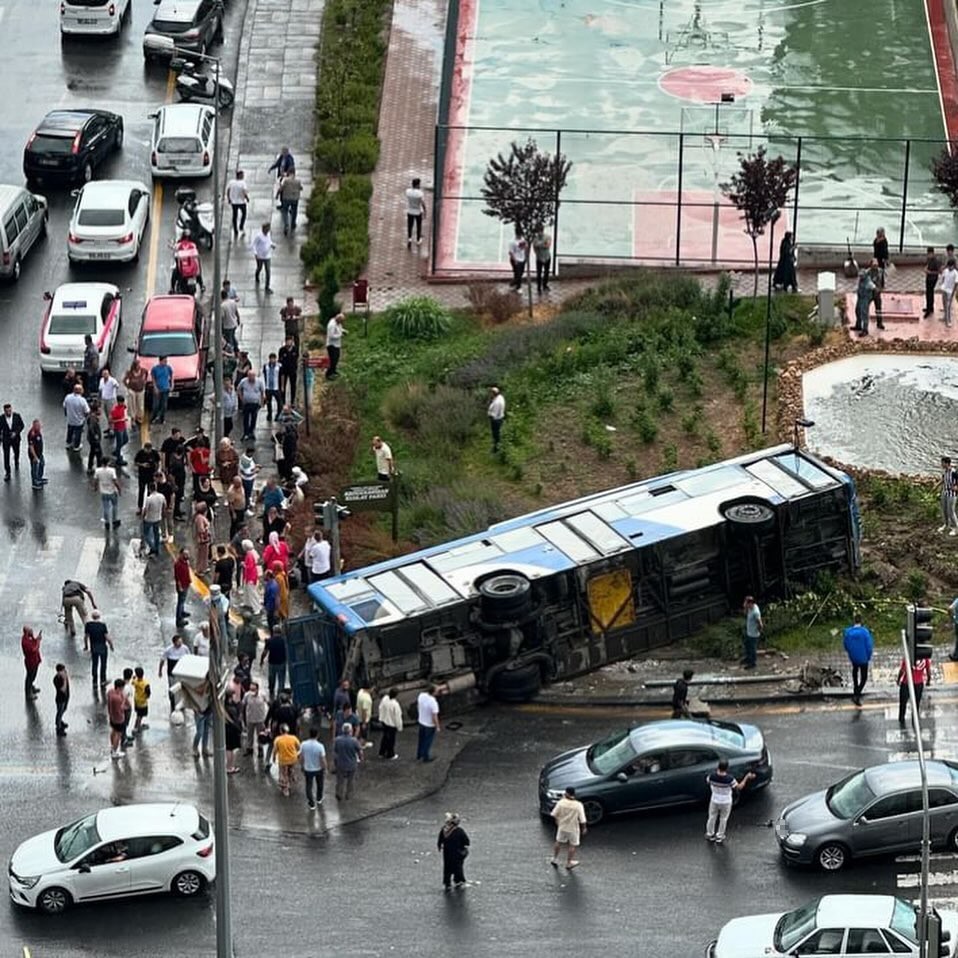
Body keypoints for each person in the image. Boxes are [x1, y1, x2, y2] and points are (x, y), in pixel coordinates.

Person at [705, 759, 755, 844]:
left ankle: (710, 834)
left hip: (714, 799)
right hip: (726, 801)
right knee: (723, 819)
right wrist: (746, 777)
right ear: (727, 768)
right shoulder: (729, 779)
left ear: (718, 767)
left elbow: (707, 781)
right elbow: (739, 787)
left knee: (712, 817)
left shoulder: (712, 777)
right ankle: (719, 836)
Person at [550, 787, 586, 869]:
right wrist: (584, 828)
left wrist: (557, 821)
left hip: (562, 826)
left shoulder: (561, 803)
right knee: (572, 845)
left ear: (566, 794)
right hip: (573, 828)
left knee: (558, 842)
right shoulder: (578, 805)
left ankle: (555, 858)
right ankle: (569, 862)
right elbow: (582, 819)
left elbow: (554, 814)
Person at [842, 615, 874, 706]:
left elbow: (845, 645)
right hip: (863, 658)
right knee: (864, 678)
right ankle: (857, 693)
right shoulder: (865, 632)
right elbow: (869, 646)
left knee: (855, 671)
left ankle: (855, 687)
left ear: (853, 621)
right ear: (861, 621)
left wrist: (850, 653)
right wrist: (868, 656)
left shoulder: (848, 632)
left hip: (853, 657)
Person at [437, 812, 470, 889]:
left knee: (447, 867)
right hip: (457, 852)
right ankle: (458, 880)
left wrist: (440, 846)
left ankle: (447, 882)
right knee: (458, 867)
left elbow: (440, 840)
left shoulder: (444, 830)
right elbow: (466, 841)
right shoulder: (459, 831)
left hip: (447, 853)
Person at [898, 652, 932, 725]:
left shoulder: (908, 657)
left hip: (906, 682)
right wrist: (928, 680)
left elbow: (902, 670)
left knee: (903, 703)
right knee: (916, 704)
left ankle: (901, 719)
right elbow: (928, 671)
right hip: (919, 683)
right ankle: (914, 720)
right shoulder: (925, 658)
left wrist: (898, 679)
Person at [159, 634, 190, 712]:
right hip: (172, 674)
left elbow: (189, 658)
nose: (180, 643)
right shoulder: (168, 650)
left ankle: (182, 704)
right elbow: (162, 660)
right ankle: (173, 704)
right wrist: (160, 671)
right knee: (173, 689)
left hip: (182, 673)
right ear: (174, 643)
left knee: (182, 689)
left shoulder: (185, 648)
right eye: (178, 642)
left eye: (181, 642)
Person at [333, 723, 363, 800]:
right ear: (351, 731)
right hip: (351, 764)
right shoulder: (354, 741)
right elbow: (360, 751)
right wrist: (361, 758)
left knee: (340, 780)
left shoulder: (338, 740)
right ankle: (348, 795)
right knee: (350, 780)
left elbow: (335, 752)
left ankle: (339, 793)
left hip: (340, 764)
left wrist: (335, 762)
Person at [300, 726, 328, 809]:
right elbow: (323, 759)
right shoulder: (320, 746)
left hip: (308, 768)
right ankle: (319, 798)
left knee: (308, 786)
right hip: (318, 768)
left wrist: (302, 766)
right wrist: (325, 768)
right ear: (317, 735)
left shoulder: (304, 744)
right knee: (320, 784)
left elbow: (301, 757)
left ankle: (311, 803)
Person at [84, 609, 113, 684]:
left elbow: (86, 637)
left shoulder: (88, 625)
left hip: (93, 647)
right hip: (103, 647)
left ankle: (95, 680)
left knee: (95, 663)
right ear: (99, 616)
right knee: (103, 664)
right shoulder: (102, 625)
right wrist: (111, 645)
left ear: (92, 616)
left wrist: (86, 646)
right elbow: (107, 637)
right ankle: (103, 680)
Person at [242, 680, 269, 760]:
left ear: (257, 689)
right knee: (249, 735)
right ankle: (249, 748)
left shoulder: (262, 695)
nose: (252, 691)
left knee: (260, 734)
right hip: (250, 718)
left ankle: (260, 748)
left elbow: (268, 702)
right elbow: (243, 705)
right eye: (251, 689)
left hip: (260, 719)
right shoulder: (247, 695)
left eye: (253, 689)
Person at [237, 369, 265, 442]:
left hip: (255, 403)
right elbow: (239, 389)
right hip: (246, 403)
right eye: (249, 376)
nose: (251, 378)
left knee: (253, 418)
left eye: (252, 376)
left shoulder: (259, 382)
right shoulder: (244, 381)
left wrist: (262, 402)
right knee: (246, 419)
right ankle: (246, 433)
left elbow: (262, 392)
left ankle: (251, 432)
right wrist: (242, 399)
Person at [95, 457, 122, 530]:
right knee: (114, 506)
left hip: (103, 492)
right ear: (108, 463)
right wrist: (119, 489)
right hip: (112, 491)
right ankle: (114, 520)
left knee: (105, 507)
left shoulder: (98, 471)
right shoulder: (112, 471)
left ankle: (107, 522)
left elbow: (96, 480)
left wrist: (95, 488)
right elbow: (115, 481)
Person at [273, 723, 301, 797]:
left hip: (283, 760)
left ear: (281, 731)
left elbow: (275, 750)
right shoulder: (293, 738)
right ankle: (292, 775)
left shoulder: (278, 739)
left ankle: (286, 788)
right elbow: (298, 747)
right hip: (293, 759)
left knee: (283, 774)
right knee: (291, 769)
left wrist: (273, 758)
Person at [260, 626, 287, 698]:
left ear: (273, 631)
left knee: (271, 678)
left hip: (272, 663)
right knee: (281, 679)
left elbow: (265, 652)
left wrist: (261, 660)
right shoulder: (284, 640)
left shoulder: (269, 640)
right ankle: (280, 695)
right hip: (282, 662)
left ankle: (271, 692)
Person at [0, 402, 25, 480]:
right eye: (7, 411)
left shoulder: (17, 416)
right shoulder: (1, 418)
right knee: (6, 456)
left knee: (16, 451)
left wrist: (16, 433)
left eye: (10, 410)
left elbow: (22, 425)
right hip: (6, 439)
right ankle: (8, 472)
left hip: (15, 439)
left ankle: (16, 461)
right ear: (4, 411)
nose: (9, 412)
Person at [416, 684, 441, 762]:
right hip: (429, 725)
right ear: (433, 692)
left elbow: (418, 705)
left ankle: (419, 754)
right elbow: (434, 716)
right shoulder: (433, 702)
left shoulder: (421, 695)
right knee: (427, 741)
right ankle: (426, 757)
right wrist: (437, 726)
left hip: (421, 721)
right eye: (437, 691)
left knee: (421, 739)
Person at [134, 441, 160, 512]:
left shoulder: (154, 453)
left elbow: (158, 462)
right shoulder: (140, 453)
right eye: (147, 450)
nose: (148, 451)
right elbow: (135, 462)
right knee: (141, 491)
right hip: (142, 475)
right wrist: (142, 465)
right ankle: (140, 507)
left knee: (150, 491)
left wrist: (156, 471)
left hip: (151, 475)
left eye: (149, 450)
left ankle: (149, 506)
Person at [378, 687, 403, 759]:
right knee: (391, 740)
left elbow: (380, 708)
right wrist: (399, 727)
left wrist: (381, 718)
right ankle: (390, 754)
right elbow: (397, 717)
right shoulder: (395, 704)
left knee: (385, 738)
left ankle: (382, 752)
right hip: (392, 724)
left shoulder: (385, 699)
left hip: (384, 722)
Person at [63, 384, 89, 451]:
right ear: (80, 391)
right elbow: (87, 411)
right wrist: (84, 417)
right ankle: (76, 446)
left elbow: (64, 406)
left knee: (70, 431)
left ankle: (68, 443)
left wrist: (66, 414)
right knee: (78, 433)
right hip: (79, 421)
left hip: (70, 419)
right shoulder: (82, 400)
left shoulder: (68, 397)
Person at [107, 678, 128, 759]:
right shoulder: (118, 698)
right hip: (119, 718)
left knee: (113, 731)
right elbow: (122, 707)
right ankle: (115, 751)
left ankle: (112, 747)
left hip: (111, 717)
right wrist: (124, 699)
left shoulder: (110, 692)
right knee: (118, 734)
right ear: (119, 687)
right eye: (122, 688)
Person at [278, 167, 303, 235]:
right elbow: (301, 188)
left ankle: (286, 225)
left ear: (288, 172)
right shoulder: (298, 181)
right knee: (294, 211)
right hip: (295, 198)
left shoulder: (285, 180)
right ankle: (293, 223)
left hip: (286, 198)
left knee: (285, 211)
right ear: (294, 173)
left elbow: (281, 188)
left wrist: (277, 194)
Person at [123, 357, 148, 426]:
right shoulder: (130, 373)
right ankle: (133, 418)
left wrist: (144, 382)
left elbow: (146, 374)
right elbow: (124, 380)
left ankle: (139, 417)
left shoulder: (143, 371)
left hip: (140, 390)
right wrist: (128, 387)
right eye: (137, 365)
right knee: (132, 405)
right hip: (132, 390)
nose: (139, 367)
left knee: (140, 405)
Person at [251, 222, 275, 293]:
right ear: (263, 229)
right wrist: (255, 253)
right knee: (259, 268)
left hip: (267, 256)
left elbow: (269, 241)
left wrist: (272, 245)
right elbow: (253, 245)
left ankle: (267, 287)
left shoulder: (268, 234)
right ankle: (257, 275)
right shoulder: (258, 236)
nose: (268, 230)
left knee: (268, 271)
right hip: (260, 256)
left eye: (269, 228)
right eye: (267, 229)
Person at [225, 169, 249, 236]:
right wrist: (247, 198)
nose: (243, 176)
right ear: (240, 176)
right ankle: (241, 226)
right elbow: (244, 192)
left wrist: (229, 198)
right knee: (244, 214)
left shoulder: (231, 182)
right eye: (242, 175)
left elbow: (228, 190)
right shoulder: (243, 183)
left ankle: (235, 230)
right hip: (241, 202)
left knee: (235, 216)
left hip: (234, 202)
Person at [151, 356, 174, 425]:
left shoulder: (168, 368)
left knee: (164, 406)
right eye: (164, 361)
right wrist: (155, 387)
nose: (166, 363)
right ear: (160, 361)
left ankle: (162, 419)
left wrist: (172, 384)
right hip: (158, 389)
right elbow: (153, 379)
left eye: (166, 361)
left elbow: (172, 376)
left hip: (165, 389)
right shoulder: (155, 369)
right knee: (156, 405)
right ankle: (154, 417)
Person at [742, 596, 763, 670]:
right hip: (749, 632)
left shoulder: (755, 612)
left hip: (753, 634)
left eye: (746, 603)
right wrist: (745, 607)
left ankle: (752, 663)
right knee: (747, 646)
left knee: (752, 649)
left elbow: (760, 623)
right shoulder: (750, 608)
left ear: (750, 603)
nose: (745, 604)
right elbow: (745, 613)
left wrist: (759, 631)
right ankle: (748, 658)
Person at [405, 176, 426, 248]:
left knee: (410, 226)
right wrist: (425, 211)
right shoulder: (420, 194)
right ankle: (418, 239)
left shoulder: (408, 192)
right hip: (417, 211)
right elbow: (423, 203)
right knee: (418, 225)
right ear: (417, 185)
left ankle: (409, 238)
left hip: (410, 211)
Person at [173, 547, 193, 627]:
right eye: (185, 554)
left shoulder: (185, 562)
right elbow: (177, 577)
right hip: (182, 586)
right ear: (181, 554)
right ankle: (179, 619)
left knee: (183, 600)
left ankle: (182, 612)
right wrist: (180, 586)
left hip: (186, 583)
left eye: (187, 554)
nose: (187, 555)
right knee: (180, 602)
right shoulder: (178, 564)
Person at [21, 626, 42, 699]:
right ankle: (28, 693)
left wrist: (37, 639)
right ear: (27, 632)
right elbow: (34, 649)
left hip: (35, 660)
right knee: (30, 677)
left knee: (33, 676)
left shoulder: (29, 638)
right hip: (31, 662)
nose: (32, 632)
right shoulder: (25, 641)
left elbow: (34, 643)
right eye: (30, 631)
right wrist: (38, 641)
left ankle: (31, 687)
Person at [939, 456, 958, 536]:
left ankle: (956, 528)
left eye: (942, 463)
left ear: (947, 463)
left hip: (952, 494)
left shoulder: (953, 472)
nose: (941, 464)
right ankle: (946, 525)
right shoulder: (944, 472)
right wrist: (936, 486)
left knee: (951, 511)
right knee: (944, 510)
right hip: (945, 493)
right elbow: (943, 480)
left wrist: (956, 487)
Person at [109, 395, 130, 464]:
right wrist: (121, 420)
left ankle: (117, 451)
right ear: (118, 402)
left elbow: (125, 408)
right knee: (119, 443)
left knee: (125, 440)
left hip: (123, 427)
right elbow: (111, 421)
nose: (123, 403)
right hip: (118, 428)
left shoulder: (123, 406)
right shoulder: (114, 410)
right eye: (121, 402)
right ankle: (118, 459)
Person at [278, 336, 299, 404]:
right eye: (287, 341)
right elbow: (280, 361)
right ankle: (283, 402)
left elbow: (297, 359)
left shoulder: (295, 349)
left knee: (293, 386)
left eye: (290, 341)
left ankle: (292, 401)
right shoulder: (282, 350)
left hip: (292, 371)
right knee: (282, 386)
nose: (289, 342)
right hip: (284, 371)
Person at [854, 268, 874, 336]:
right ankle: (858, 325)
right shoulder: (861, 280)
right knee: (857, 311)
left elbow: (873, 287)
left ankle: (865, 330)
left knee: (864, 314)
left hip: (865, 298)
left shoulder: (868, 281)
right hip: (860, 297)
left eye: (861, 276)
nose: (860, 277)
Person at [193, 502, 212, 574]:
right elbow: (201, 530)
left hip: (203, 539)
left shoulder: (198, 517)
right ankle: (200, 569)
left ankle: (204, 567)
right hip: (203, 539)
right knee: (202, 555)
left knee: (204, 554)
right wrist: (207, 529)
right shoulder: (200, 518)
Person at [325, 312, 345, 380]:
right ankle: (328, 374)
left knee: (336, 358)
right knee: (333, 360)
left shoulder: (337, 323)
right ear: (338, 319)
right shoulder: (332, 325)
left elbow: (339, 329)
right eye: (341, 321)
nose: (341, 323)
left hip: (337, 344)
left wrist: (343, 331)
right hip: (332, 345)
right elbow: (331, 336)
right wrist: (340, 335)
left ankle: (334, 371)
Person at [86, 400, 103, 475]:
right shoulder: (93, 418)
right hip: (94, 440)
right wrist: (95, 436)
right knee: (98, 453)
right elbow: (91, 428)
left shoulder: (92, 416)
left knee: (92, 452)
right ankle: (99, 468)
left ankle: (90, 467)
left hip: (92, 439)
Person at [939, 258, 958, 327]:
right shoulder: (945, 271)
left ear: (953, 266)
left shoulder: (955, 273)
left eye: (951, 266)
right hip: (944, 290)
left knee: (948, 307)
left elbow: (956, 284)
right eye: (949, 266)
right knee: (944, 305)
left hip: (950, 291)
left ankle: (949, 321)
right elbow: (943, 277)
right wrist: (942, 285)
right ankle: (945, 317)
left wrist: (953, 293)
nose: (950, 267)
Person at [132, 666, 151, 734]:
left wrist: (134, 678)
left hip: (136, 700)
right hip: (143, 702)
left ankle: (138, 725)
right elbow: (148, 692)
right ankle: (137, 727)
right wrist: (147, 696)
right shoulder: (145, 683)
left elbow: (133, 682)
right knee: (140, 715)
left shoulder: (136, 682)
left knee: (138, 714)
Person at [27, 419, 45, 491]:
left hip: (39, 453)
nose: (39, 427)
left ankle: (39, 478)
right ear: (34, 426)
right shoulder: (32, 434)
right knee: (34, 468)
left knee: (42, 464)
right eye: (37, 426)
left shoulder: (38, 432)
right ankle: (35, 483)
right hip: (34, 455)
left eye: (39, 425)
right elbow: (31, 447)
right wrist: (35, 457)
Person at [53, 663, 70, 736]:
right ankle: (58, 726)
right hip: (60, 698)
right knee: (59, 712)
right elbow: (62, 689)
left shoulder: (63, 677)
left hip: (65, 697)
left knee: (63, 709)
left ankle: (60, 721)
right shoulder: (58, 679)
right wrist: (64, 680)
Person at [533, 229, 552, 294]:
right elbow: (534, 247)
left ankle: (545, 285)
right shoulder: (535, 238)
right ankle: (538, 287)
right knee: (539, 273)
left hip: (547, 257)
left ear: (542, 231)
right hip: (539, 258)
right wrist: (543, 244)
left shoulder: (547, 237)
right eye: (538, 232)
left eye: (540, 231)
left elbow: (548, 245)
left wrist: (539, 245)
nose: (539, 233)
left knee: (546, 272)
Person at [487, 386, 505, 453]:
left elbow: (494, 414)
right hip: (500, 418)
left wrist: (489, 416)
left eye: (491, 393)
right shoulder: (500, 398)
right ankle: (498, 448)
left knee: (496, 435)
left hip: (496, 420)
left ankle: (496, 449)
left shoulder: (497, 402)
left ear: (493, 393)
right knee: (498, 434)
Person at [925, 247, 941, 318]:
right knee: (927, 293)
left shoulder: (936, 261)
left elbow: (939, 271)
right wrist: (926, 269)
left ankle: (929, 310)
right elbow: (928, 266)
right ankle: (929, 307)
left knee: (930, 293)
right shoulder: (929, 259)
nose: (928, 255)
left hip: (933, 278)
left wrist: (930, 272)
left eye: (929, 254)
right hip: (928, 277)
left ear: (932, 253)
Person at [356, 683, 373, 748]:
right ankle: (362, 744)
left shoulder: (360, 692)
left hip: (359, 715)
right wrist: (364, 722)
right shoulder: (366, 699)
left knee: (362, 731)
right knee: (364, 732)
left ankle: (363, 742)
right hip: (364, 718)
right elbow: (364, 711)